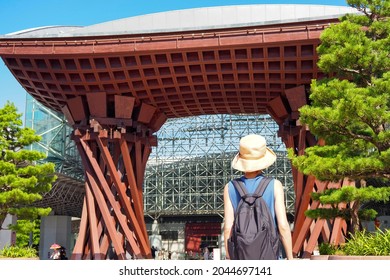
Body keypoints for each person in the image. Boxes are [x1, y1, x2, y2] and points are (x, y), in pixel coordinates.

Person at [223, 134, 293, 260]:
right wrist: (290, 258)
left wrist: (229, 258)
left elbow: (228, 228)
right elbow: (283, 226)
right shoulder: (275, 185)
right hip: (269, 256)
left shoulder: (230, 187)